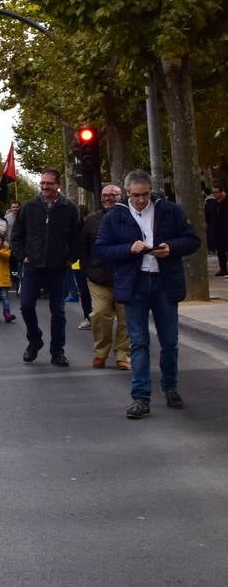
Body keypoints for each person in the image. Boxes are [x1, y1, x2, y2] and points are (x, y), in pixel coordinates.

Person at [95, 170, 200, 419]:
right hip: (135, 284)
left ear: (150, 191)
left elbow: (193, 240)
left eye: (145, 195)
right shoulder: (115, 217)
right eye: (135, 196)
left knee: (170, 340)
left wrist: (171, 248)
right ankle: (140, 397)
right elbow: (101, 250)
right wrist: (129, 249)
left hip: (164, 282)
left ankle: (170, 386)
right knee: (139, 341)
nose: (141, 200)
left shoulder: (170, 211)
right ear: (127, 192)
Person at [10, 168, 84, 366]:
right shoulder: (29, 207)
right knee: (25, 305)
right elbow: (16, 235)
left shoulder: (70, 208)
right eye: (42, 183)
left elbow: (78, 238)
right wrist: (22, 256)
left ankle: (57, 351)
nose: (45, 187)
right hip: (33, 266)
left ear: (58, 185)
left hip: (58, 268)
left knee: (58, 311)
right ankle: (35, 340)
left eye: (49, 184)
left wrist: (69, 258)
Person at [81, 185, 129, 369]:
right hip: (98, 278)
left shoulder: (130, 218)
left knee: (126, 318)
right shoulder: (92, 220)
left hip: (125, 277)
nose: (108, 198)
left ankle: (123, 355)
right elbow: (83, 248)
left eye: (112, 195)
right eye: (104, 196)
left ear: (121, 196)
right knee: (100, 314)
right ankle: (100, 353)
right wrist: (87, 270)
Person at [204, 183, 227, 276]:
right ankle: (223, 268)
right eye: (213, 192)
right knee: (220, 250)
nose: (214, 194)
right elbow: (208, 217)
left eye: (216, 192)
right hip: (217, 230)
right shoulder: (212, 203)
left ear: (222, 192)